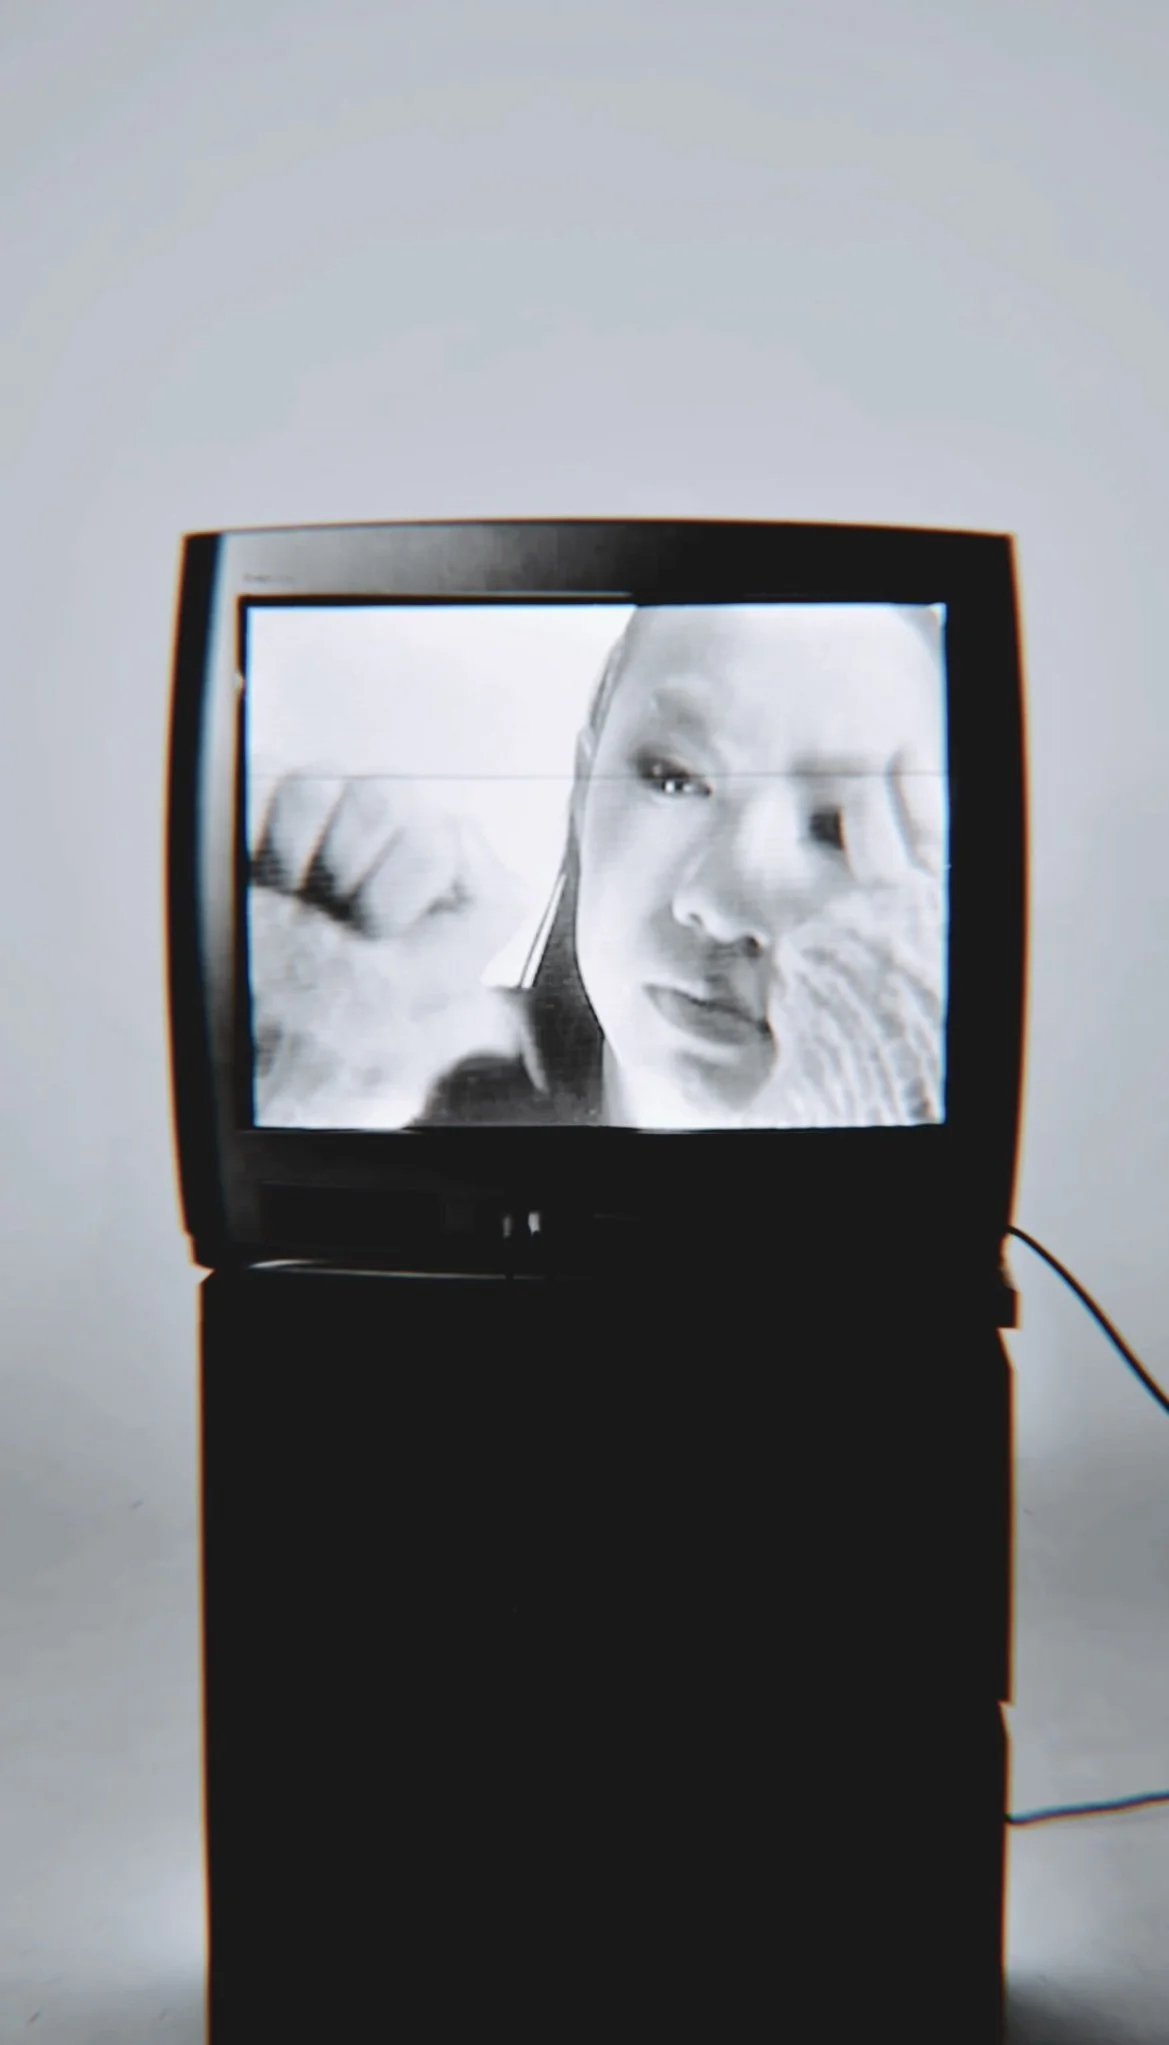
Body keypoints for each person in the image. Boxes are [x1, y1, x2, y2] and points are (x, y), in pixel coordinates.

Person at [248, 603, 946, 1131]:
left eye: (835, 830)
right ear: (583, 790)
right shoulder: (389, 1082)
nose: (719, 905)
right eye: (671, 776)